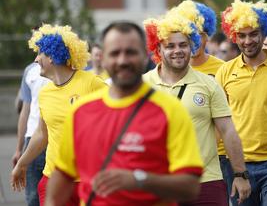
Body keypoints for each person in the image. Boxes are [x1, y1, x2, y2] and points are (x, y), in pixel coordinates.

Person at [45, 22, 204, 205]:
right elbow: (63, 174)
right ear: (102, 58)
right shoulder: (81, 112)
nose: (123, 60)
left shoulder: (170, 110)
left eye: (131, 52)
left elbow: (190, 186)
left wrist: (139, 180)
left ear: (146, 56)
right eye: (115, 53)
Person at [143, 12, 251, 205]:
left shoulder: (209, 84)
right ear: (158, 48)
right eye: (170, 46)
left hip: (205, 181)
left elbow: (228, 130)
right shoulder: (141, 86)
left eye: (183, 45)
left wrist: (240, 174)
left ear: (191, 46)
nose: (178, 50)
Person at [11, 24, 107, 205]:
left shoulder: (91, 83)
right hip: (53, 180)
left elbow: (120, 115)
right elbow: (41, 135)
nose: (36, 59)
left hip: (89, 181)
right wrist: (21, 164)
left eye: (39, 53)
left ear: (52, 56)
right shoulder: (45, 93)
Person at [216, 0, 267, 206]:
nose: (247, 41)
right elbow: (219, 121)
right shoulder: (225, 71)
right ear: (234, 36)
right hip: (238, 165)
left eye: (253, 34)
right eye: (241, 35)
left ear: (264, 33)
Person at [12, 62, 50, 206]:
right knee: (33, 195)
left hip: (57, 139)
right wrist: (18, 149)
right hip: (33, 138)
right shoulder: (30, 70)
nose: (37, 57)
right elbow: (25, 110)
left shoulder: (68, 68)